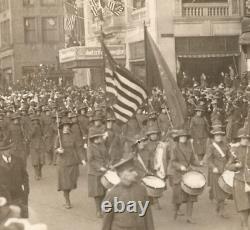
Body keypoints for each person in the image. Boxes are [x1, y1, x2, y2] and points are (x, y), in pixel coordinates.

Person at [101, 156, 155, 230]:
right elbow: (107, 221)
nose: (135, 173)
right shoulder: (113, 193)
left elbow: (148, 217)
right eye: (131, 171)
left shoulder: (141, 190)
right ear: (122, 174)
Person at [170, 129, 201, 224]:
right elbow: (173, 162)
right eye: (181, 137)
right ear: (178, 138)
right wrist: (180, 166)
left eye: (184, 136)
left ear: (186, 138)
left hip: (188, 173)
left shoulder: (189, 148)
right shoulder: (175, 148)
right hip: (178, 175)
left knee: (191, 195)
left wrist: (199, 163)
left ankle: (189, 217)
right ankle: (176, 209)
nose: (183, 138)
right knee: (178, 197)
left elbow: (192, 161)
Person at [55, 117, 84, 209]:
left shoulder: (73, 136)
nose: (67, 127)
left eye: (68, 125)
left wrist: (82, 159)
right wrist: (58, 150)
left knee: (72, 182)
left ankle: (67, 194)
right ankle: (67, 201)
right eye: (65, 126)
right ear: (62, 127)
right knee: (65, 183)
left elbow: (78, 148)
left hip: (72, 161)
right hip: (62, 162)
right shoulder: (59, 137)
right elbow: (55, 149)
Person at [227, 127, 250, 230]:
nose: (245, 140)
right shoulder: (234, 150)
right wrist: (235, 166)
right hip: (239, 180)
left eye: (247, 138)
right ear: (240, 139)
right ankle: (244, 224)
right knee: (243, 204)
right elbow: (227, 166)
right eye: (243, 138)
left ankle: (244, 222)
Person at [0, 140, 29, 218]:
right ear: (1, 151)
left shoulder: (18, 160)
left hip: (19, 195)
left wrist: (26, 190)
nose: (8, 151)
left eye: (9, 149)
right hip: (4, 197)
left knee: (22, 218)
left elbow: (25, 176)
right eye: (5, 150)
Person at [206, 126, 230, 218]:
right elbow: (208, 159)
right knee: (219, 190)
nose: (219, 137)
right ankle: (222, 211)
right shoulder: (211, 147)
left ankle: (219, 207)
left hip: (225, 170)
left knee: (224, 189)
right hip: (215, 171)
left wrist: (229, 162)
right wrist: (213, 167)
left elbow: (230, 155)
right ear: (214, 136)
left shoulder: (225, 145)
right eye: (217, 135)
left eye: (220, 135)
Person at [87, 126, 109, 218]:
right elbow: (90, 160)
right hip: (94, 172)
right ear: (95, 139)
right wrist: (100, 167)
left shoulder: (102, 144)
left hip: (104, 170)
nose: (101, 138)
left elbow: (106, 156)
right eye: (100, 137)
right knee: (97, 193)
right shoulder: (90, 147)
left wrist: (108, 164)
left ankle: (102, 207)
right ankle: (98, 210)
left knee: (104, 190)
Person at [29, 115, 45, 180]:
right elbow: (30, 136)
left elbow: (43, 133)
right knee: (35, 161)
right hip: (33, 145)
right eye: (34, 121)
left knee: (41, 161)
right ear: (32, 121)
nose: (35, 122)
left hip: (41, 144)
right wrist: (34, 129)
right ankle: (36, 174)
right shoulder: (31, 127)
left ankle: (40, 171)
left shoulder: (40, 127)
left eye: (37, 120)